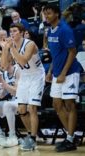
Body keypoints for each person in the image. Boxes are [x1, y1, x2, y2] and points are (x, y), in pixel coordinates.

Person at [0, 23, 45, 151]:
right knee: (21, 109)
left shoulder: (30, 44)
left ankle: (33, 138)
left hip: (36, 76)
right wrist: (4, 49)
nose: (12, 34)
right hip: (25, 77)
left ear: (21, 32)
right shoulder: (11, 45)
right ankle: (31, 135)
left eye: (14, 31)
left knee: (32, 108)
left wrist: (12, 48)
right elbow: (3, 65)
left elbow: (23, 61)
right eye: (11, 31)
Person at [44, 4, 82, 152]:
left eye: (49, 13)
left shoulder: (65, 30)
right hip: (57, 73)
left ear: (57, 14)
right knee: (56, 105)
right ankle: (71, 135)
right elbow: (56, 54)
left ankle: (70, 139)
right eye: (45, 14)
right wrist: (51, 71)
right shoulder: (50, 31)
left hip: (70, 73)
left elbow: (72, 52)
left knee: (69, 104)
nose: (46, 16)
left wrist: (63, 73)